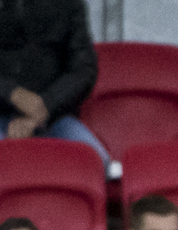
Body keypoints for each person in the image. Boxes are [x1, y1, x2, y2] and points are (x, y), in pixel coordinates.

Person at [0, 0, 108, 162]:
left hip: (55, 116)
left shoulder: (69, 4)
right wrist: (13, 93)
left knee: (98, 163)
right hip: (3, 111)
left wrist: (45, 105)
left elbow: (83, 70)